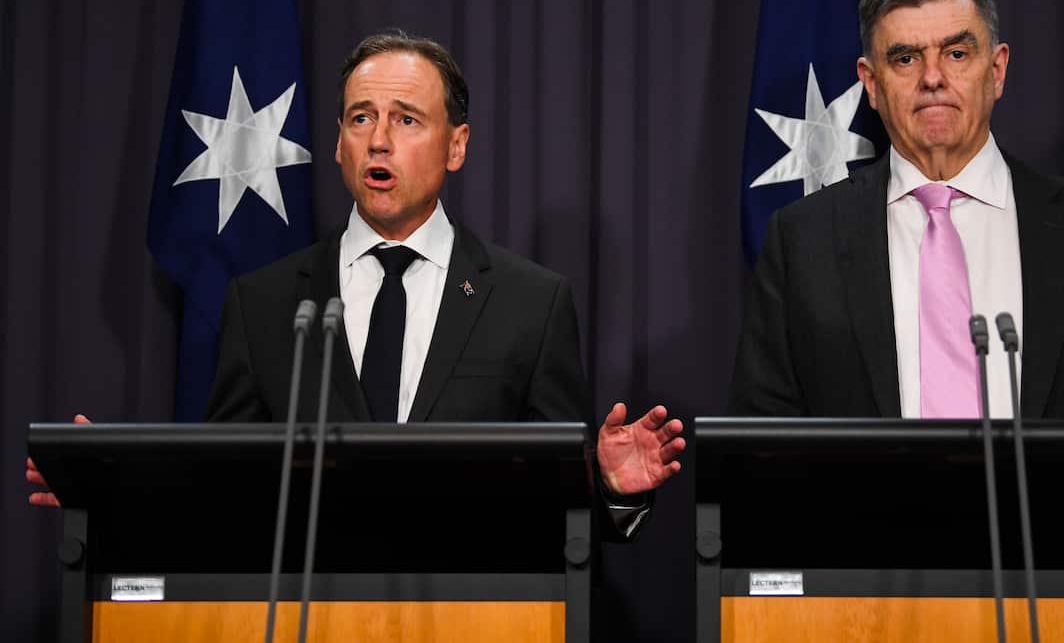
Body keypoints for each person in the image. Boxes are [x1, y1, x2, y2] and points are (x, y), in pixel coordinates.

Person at [30, 30, 684, 525]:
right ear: (340, 142)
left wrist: (602, 486)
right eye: (360, 117)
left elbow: (558, 514)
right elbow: (223, 494)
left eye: (406, 119)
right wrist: (115, 496)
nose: (378, 140)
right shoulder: (262, 304)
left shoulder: (531, 303)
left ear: (456, 145)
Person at [730, 0, 1064, 420]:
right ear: (871, 83)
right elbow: (764, 440)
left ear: (997, 69)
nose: (932, 78)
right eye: (905, 58)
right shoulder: (802, 241)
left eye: (957, 54)